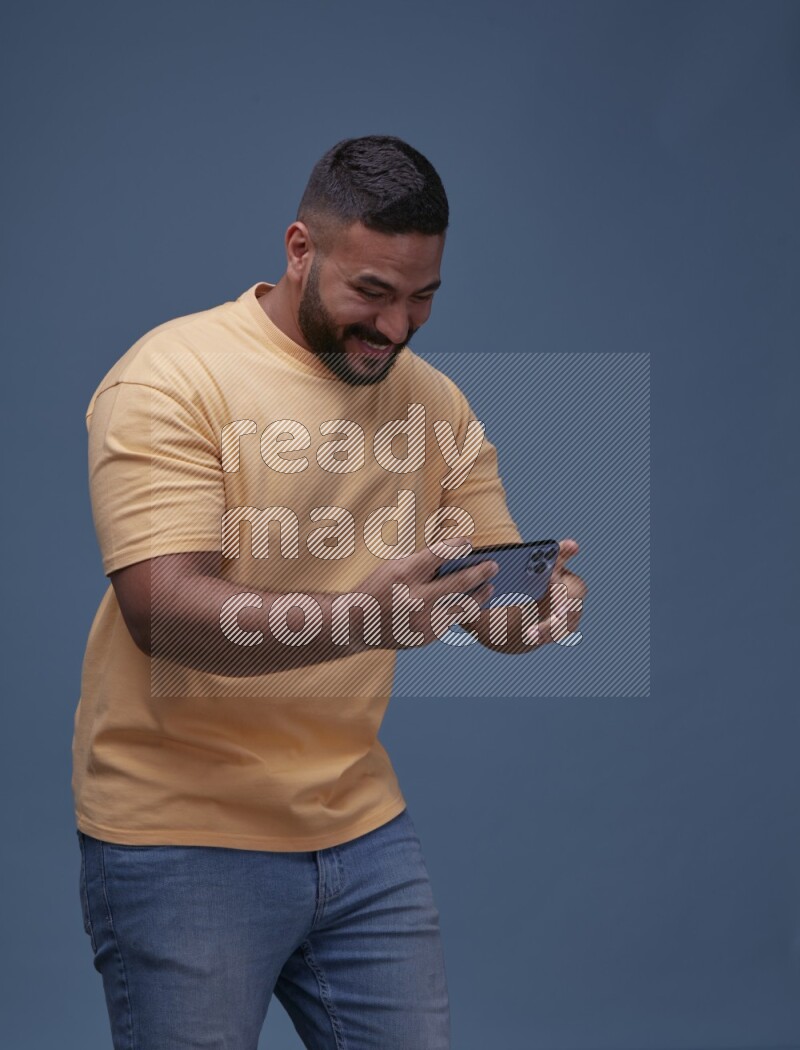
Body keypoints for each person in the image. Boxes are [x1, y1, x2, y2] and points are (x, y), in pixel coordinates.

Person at [73, 135, 586, 1050]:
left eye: (423, 298)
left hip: (361, 831)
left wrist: (536, 612)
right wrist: (364, 618)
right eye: (373, 294)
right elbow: (165, 614)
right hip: (180, 836)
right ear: (300, 250)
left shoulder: (434, 404)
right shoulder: (171, 377)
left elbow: (487, 590)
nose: (396, 328)